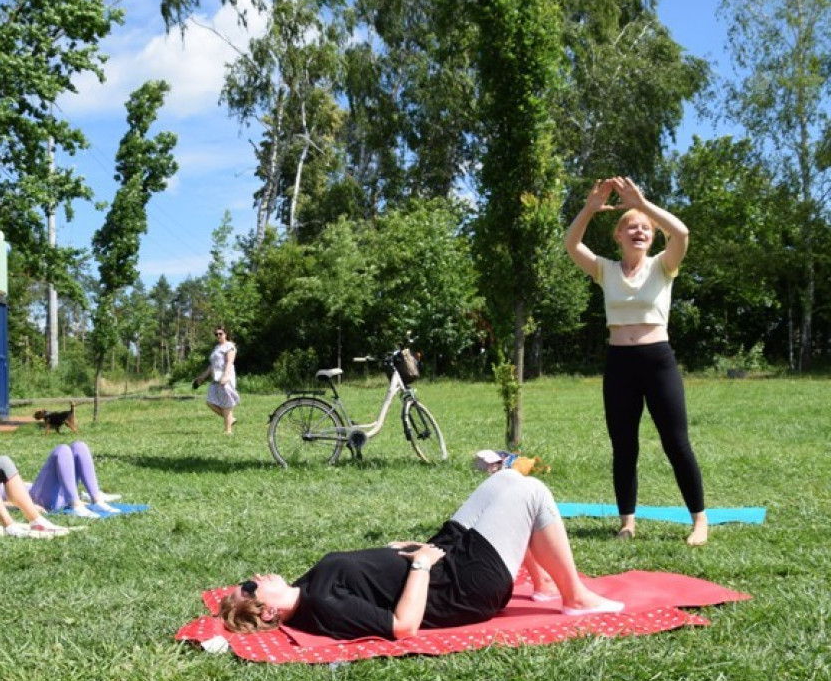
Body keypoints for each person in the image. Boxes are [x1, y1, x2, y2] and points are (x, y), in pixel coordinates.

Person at [219, 469, 624, 640]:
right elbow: (403, 625)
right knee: (532, 492)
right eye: (251, 585)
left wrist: (405, 552)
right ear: (268, 612)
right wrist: (420, 564)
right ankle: (575, 597)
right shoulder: (320, 605)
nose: (258, 575)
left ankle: (543, 582)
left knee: (506, 476)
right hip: (463, 584)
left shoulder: (307, 586)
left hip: (441, 556)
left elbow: (371, 579)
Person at [564, 176, 708, 546]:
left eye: (645, 227)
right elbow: (571, 244)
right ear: (618, 236)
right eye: (631, 226)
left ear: (652, 236)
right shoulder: (606, 271)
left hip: (658, 362)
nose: (639, 231)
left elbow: (683, 233)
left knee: (676, 443)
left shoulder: (663, 266)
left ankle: (699, 521)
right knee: (624, 446)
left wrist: (642, 204)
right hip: (620, 364)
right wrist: (589, 209)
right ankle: (627, 523)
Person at [20, 441, 122, 518]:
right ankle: (76, 505)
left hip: (62, 498)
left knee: (79, 446)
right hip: (39, 499)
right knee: (62, 450)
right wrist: (28, 506)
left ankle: (97, 500)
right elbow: (5, 504)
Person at [192, 325, 239, 434]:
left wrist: (226, 376)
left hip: (225, 378)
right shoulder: (217, 348)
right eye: (216, 334)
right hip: (216, 379)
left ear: (225, 334)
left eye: (220, 333)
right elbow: (212, 366)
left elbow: (229, 362)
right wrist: (202, 377)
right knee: (210, 402)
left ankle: (228, 431)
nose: (218, 335)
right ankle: (230, 419)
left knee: (226, 404)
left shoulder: (229, 346)